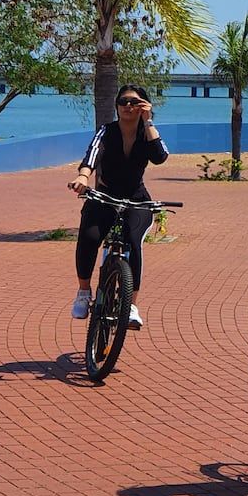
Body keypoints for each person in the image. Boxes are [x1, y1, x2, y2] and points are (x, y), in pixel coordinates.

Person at [68, 84, 169, 328]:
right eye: (123, 101)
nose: (127, 106)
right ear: (116, 105)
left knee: (134, 243)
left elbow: (160, 156)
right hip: (105, 197)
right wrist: (83, 177)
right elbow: (91, 155)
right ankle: (83, 293)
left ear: (144, 106)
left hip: (136, 198)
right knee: (90, 236)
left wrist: (149, 122)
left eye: (134, 102)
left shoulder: (147, 133)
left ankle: (131, 305)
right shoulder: (107, 131)